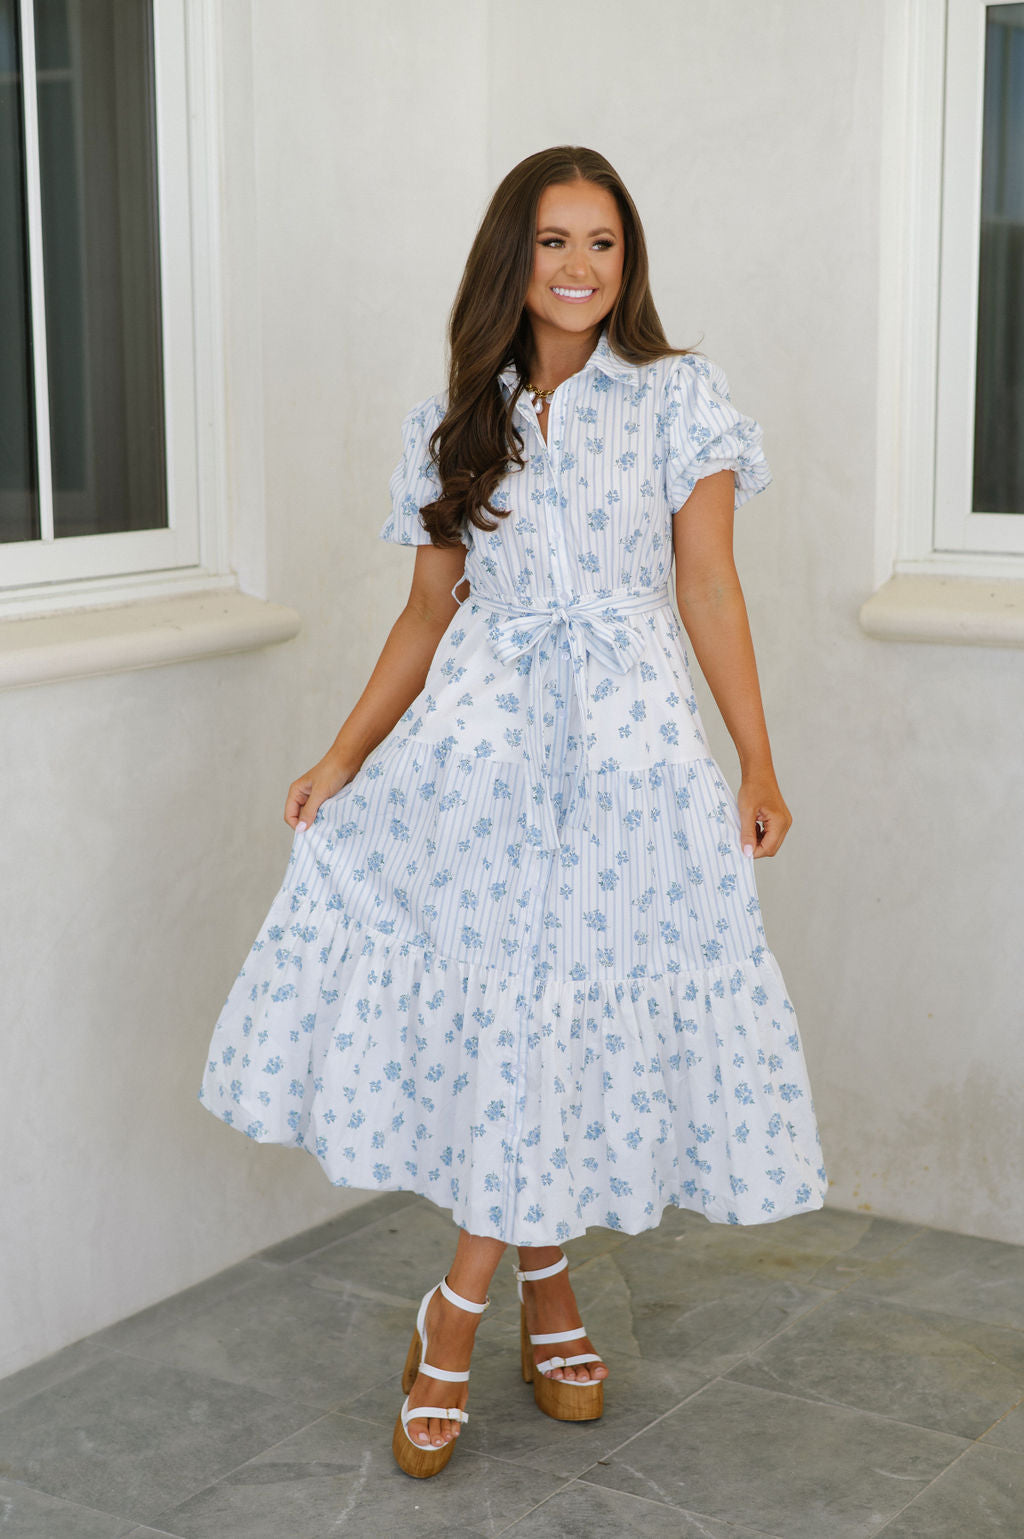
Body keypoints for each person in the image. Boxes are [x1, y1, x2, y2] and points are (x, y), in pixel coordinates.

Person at [198, 145, 828, 1479]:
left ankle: (457, 1309)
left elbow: (709, 586)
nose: (582, 268)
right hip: (482, 756)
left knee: (559, 1005)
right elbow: (429, 615)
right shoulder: (458, 418)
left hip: (632, 761)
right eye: (555, 242)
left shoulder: (678, 398)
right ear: (512, 255)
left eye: (604, 242)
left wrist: (756, 759)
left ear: (629, 259)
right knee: (522, 1014)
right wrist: (344, 754)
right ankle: (540, 1292)